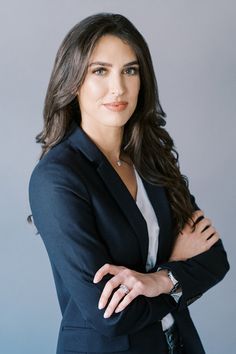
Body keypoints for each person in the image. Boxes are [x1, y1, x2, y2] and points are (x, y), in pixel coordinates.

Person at [28, 13, 229, 354]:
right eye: (100, 71)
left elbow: (215, 258)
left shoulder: (151, 157)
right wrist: (177, 275)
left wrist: (159, 280)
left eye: (130, 70)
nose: (118, 88)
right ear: (73, 80)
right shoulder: (57, 177)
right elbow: (111, 315)